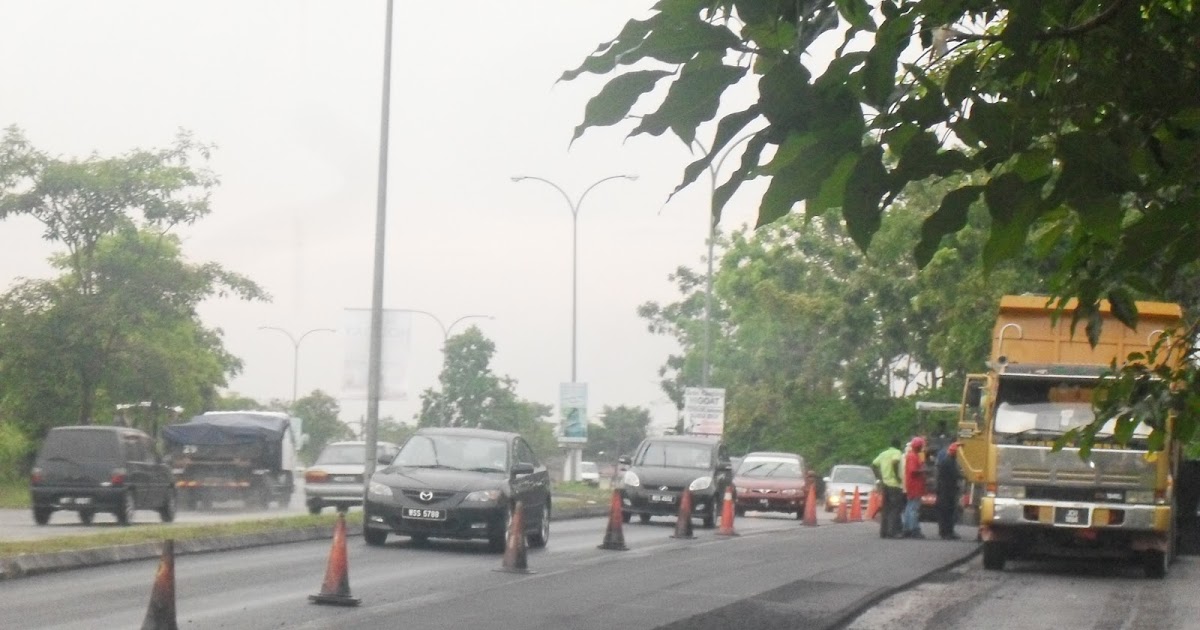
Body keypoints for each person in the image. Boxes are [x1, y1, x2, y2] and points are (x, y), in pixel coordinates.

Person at [871, 438, 905, 539]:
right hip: (894, 484)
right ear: (898, 445)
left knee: (886, 509)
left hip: (885, 484)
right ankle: (892, 531)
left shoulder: (883, 454)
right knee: (895, 509)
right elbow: (895, 462)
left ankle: (883, 532)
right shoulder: (897, 452)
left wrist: (879, 476)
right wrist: (898, 477)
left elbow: (873, 464)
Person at [936, 442, 963, 540]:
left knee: (944, 512)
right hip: (947, 491)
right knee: (948, 511)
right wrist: (964, 476)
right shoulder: (950, 462)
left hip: (943, 490)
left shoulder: (945, 461)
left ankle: (944, 531)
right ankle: (947, 532)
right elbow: (955, 475)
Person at [902, 436, 927, 538]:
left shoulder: (913, 455)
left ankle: (907, 528)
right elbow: (913, 471)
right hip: (914, 486)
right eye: (921, 446)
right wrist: (924, 470)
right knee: (913, 508)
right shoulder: (913, 456)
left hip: (913, 485)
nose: (922, 447)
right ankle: (913, 529)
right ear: (918, 446)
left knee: (909, 506)